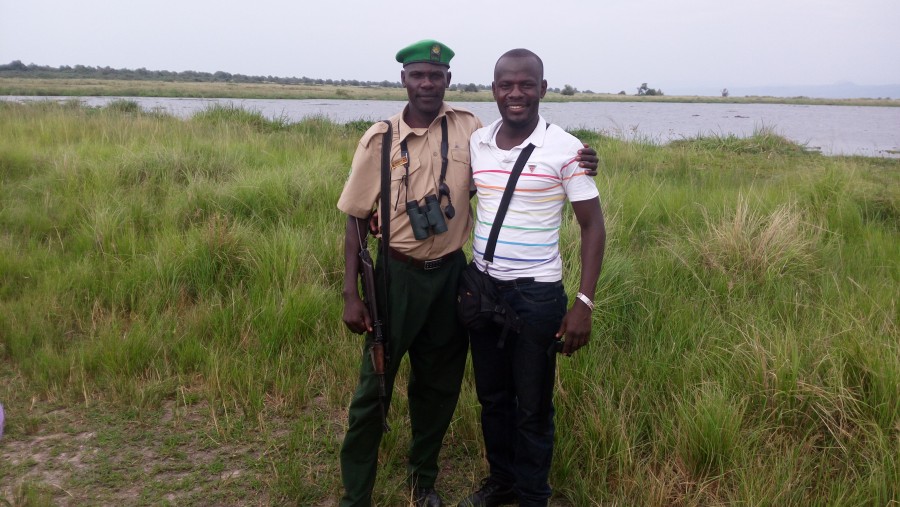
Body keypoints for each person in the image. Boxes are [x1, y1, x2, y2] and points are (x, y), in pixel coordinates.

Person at [337, 40, 598, 507]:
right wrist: (350, 293)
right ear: (403, 80)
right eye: (418, 75)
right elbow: (357, 216)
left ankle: (424, 482)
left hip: (456, 279)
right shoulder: (380, 139)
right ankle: (356, 494)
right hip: (398, 278)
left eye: (436, 76)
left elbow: (497, 179)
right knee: (374, 387)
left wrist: (584, 159)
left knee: (438, 386)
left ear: (449, 81)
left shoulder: (469, 130)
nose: (427, 84)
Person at [458, 49, 606, 507]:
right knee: (493, 398)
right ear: (494, 89)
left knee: (533, 407)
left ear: (542, 89)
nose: (515, 94)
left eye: (526, 85)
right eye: (506, 85)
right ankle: (500, 482)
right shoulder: (478, 141)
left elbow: (593, 226)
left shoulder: (566, 148)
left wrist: (583, 303)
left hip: (536, 296)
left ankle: (532, 494)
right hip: (483, 289)